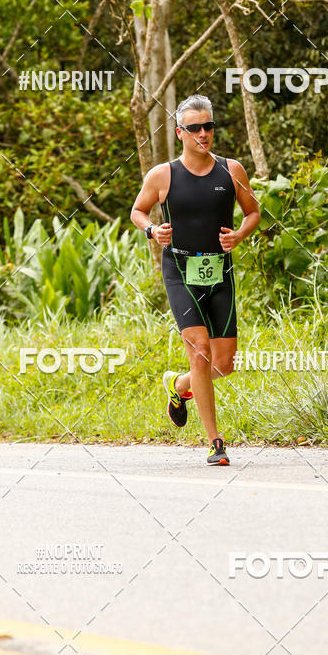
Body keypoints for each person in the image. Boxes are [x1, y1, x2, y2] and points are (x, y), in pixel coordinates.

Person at [130, 94, 260, 465]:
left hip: (220, 271)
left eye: (208, 127)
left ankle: (179, 385)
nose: (203, 134)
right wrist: (152, 230)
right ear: (180, 133)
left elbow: (253, 213)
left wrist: (239, 235)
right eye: (195, 128)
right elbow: (138, 211)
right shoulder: (162, 175)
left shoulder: (231, 170)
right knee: (200, 352)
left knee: (224, 363)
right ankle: (215, 442)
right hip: (180, 271)